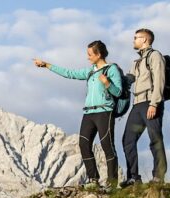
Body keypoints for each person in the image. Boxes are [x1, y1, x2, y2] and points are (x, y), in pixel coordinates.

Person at [33, 41, 122, 189]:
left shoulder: (112, 70)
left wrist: (107, 83)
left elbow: (118, 92)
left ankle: (112, 183)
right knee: (84, 144)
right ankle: (93, 179)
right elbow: (70, 74)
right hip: (88, 113)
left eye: (90, 54)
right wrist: (47, 65)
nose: (87, 57)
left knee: (107, 145)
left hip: (104, 112)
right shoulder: (91, 71)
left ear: (98, 54)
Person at [121, 28, 168, 186]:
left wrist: (154, 103)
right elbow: (129, 79)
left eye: (136, 38)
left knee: (155, 138)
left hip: (150, 102)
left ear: (145, 40)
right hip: (137, 104)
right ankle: (134, 177)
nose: (133, 40)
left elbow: (159, 80)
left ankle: (158, 176)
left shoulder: (155, 56)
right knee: (128, 140)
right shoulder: (137, 61)